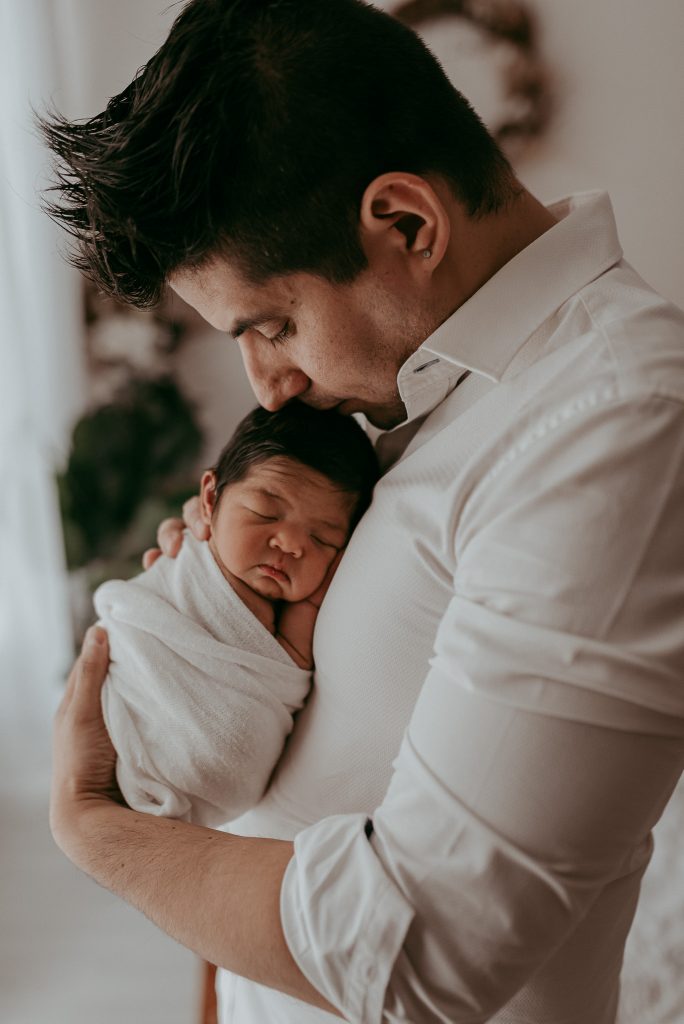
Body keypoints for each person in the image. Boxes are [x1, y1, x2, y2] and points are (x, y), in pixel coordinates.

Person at [41, 1, 684, 1021]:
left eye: (272, 324)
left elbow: (423, 950)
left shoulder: (616, 423)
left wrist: (95, 830)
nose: (266, 386)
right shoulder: (414, 394)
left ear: (406, 225)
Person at [95, 402, 378, 827]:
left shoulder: (301, 610)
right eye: (266, 513)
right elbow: (134, 624)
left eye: (322, 538)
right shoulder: (185, 561)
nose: (290, 543)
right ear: (209, 499)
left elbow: (289, 668)